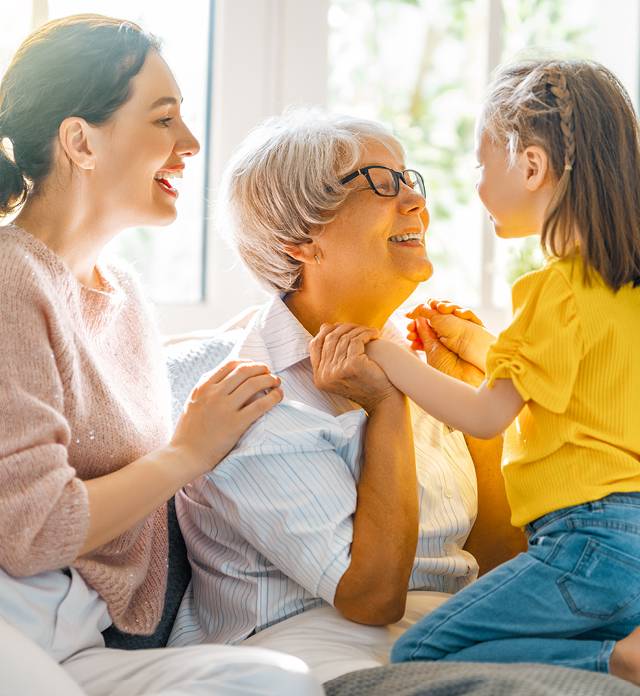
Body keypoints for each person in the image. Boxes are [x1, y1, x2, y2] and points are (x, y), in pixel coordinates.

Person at [0, 14, 323, 696]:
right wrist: (187, 455)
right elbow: (32, 529)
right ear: (80, 141)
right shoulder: (9, 277)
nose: (191, 143)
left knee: (278, 683)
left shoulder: (125, 295)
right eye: (163, 118)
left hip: (74, 637)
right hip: (11, 614)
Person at [168, 108, 526, 650]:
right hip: (310, 651)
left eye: (409, 180)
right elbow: (373, 598)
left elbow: (494, 565)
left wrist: (477, 417)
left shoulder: (414, 364)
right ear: (300, 240)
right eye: (382, 183)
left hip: (447, 634)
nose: (416, 202)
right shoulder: (247, 397)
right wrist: (385, 409)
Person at [346, 59, 640, 684]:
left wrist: (384, 353)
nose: (474, 185)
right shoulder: (618, 289)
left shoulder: (552, 290)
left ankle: (616, 660)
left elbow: (487, 414)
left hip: (583, 541)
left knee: (417, 657)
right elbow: (566, 382)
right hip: (630, 540)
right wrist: (477, 341)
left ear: (531, 167)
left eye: (481, 165)